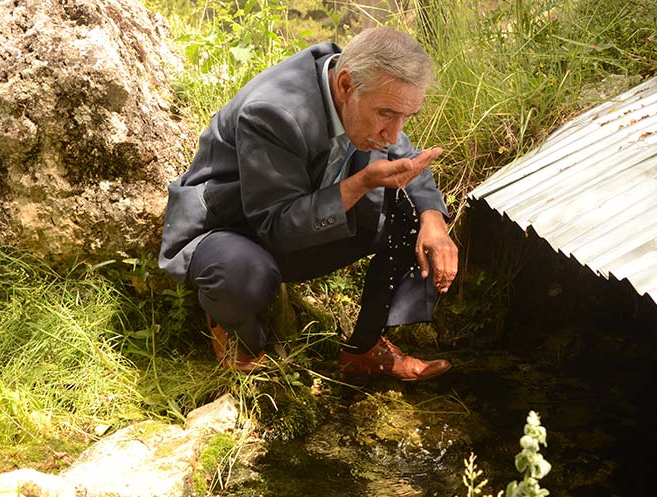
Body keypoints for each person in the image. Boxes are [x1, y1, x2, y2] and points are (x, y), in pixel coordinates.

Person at [159, 27, 458, 380]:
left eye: (406, 117)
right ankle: (240, 335)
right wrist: (360, 183)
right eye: (387, 115)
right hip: (234, 229)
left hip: (303, 215)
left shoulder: (368, 85)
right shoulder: (274, 111)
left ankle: (363, 349)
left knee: (411, 213)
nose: (393, 134)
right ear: (345, 86)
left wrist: (433, 219)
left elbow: (403, 156)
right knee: (242, 275)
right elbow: (276, 228)